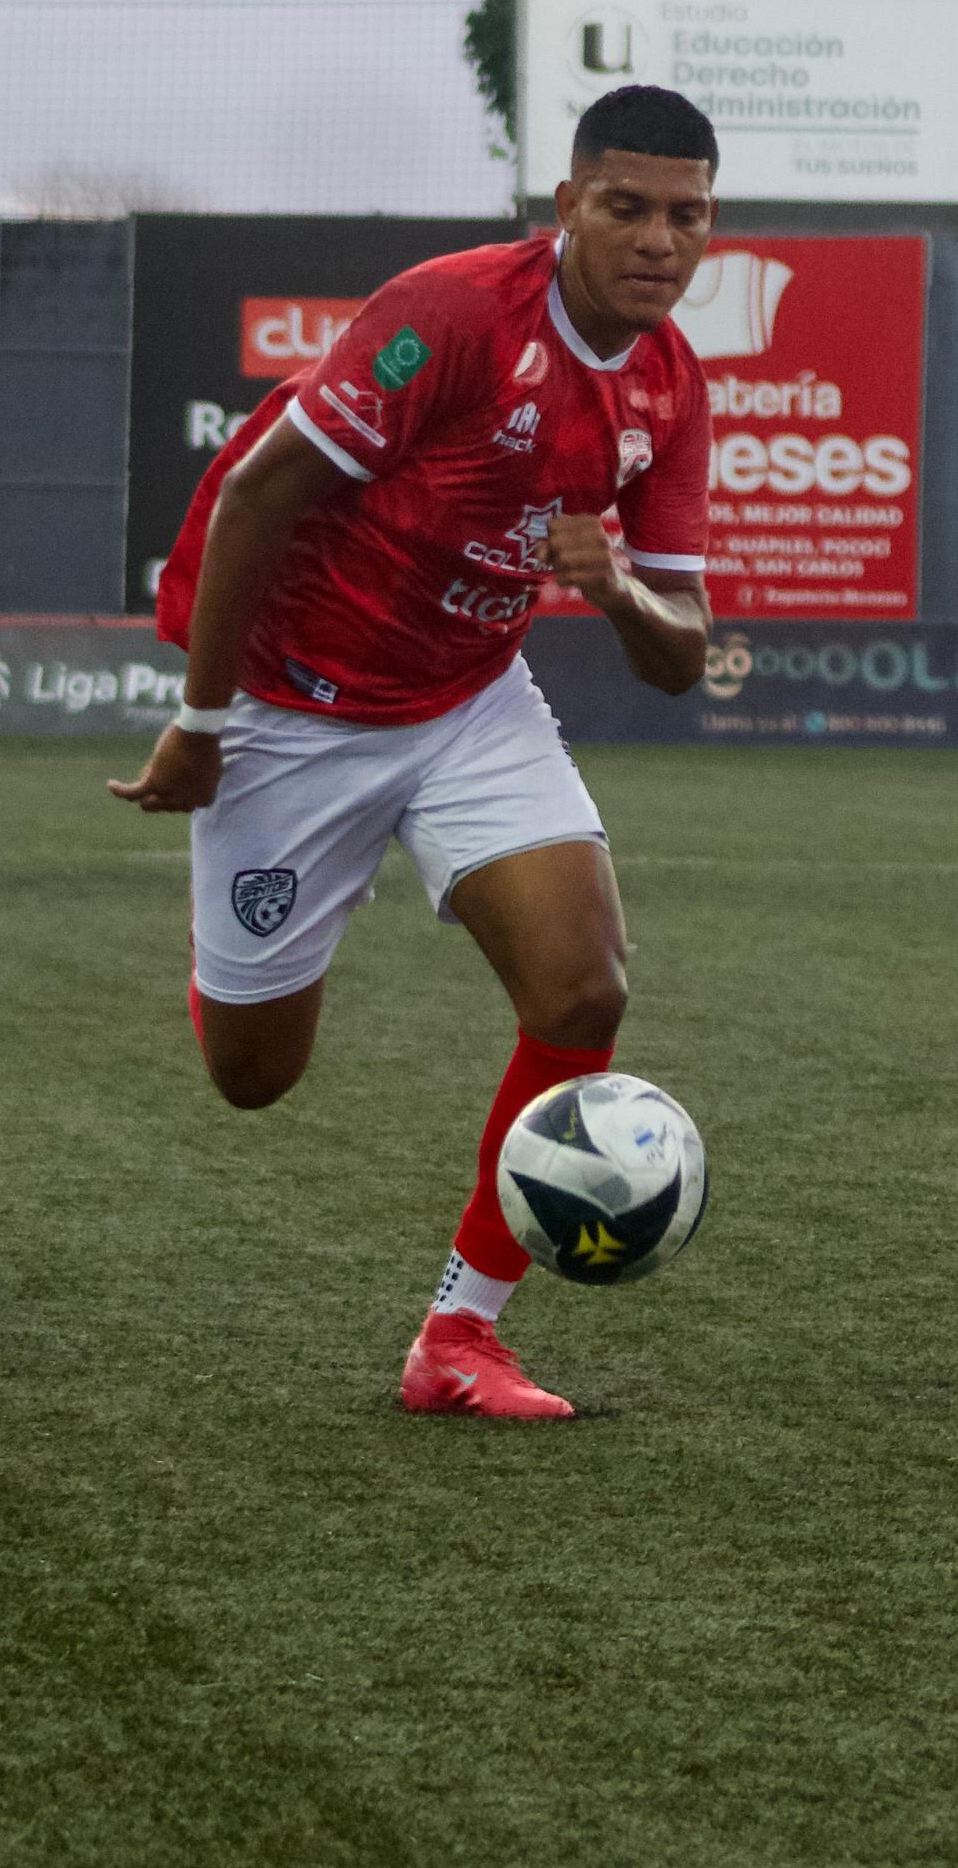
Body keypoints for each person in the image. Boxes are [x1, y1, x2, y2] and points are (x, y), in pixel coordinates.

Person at [117, 83, 720, 1422]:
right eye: (626, 206)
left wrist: (618, 588)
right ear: (566, 205)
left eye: (685, 215)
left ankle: (459, 1334)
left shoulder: (671, 386)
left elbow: (682, 651)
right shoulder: (449, 316)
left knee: (583, 991)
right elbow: (259, 492)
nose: (656, 240)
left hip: (466, 699)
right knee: (252, 1078)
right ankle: (244, 937)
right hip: (292, 708)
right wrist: (203, 722)